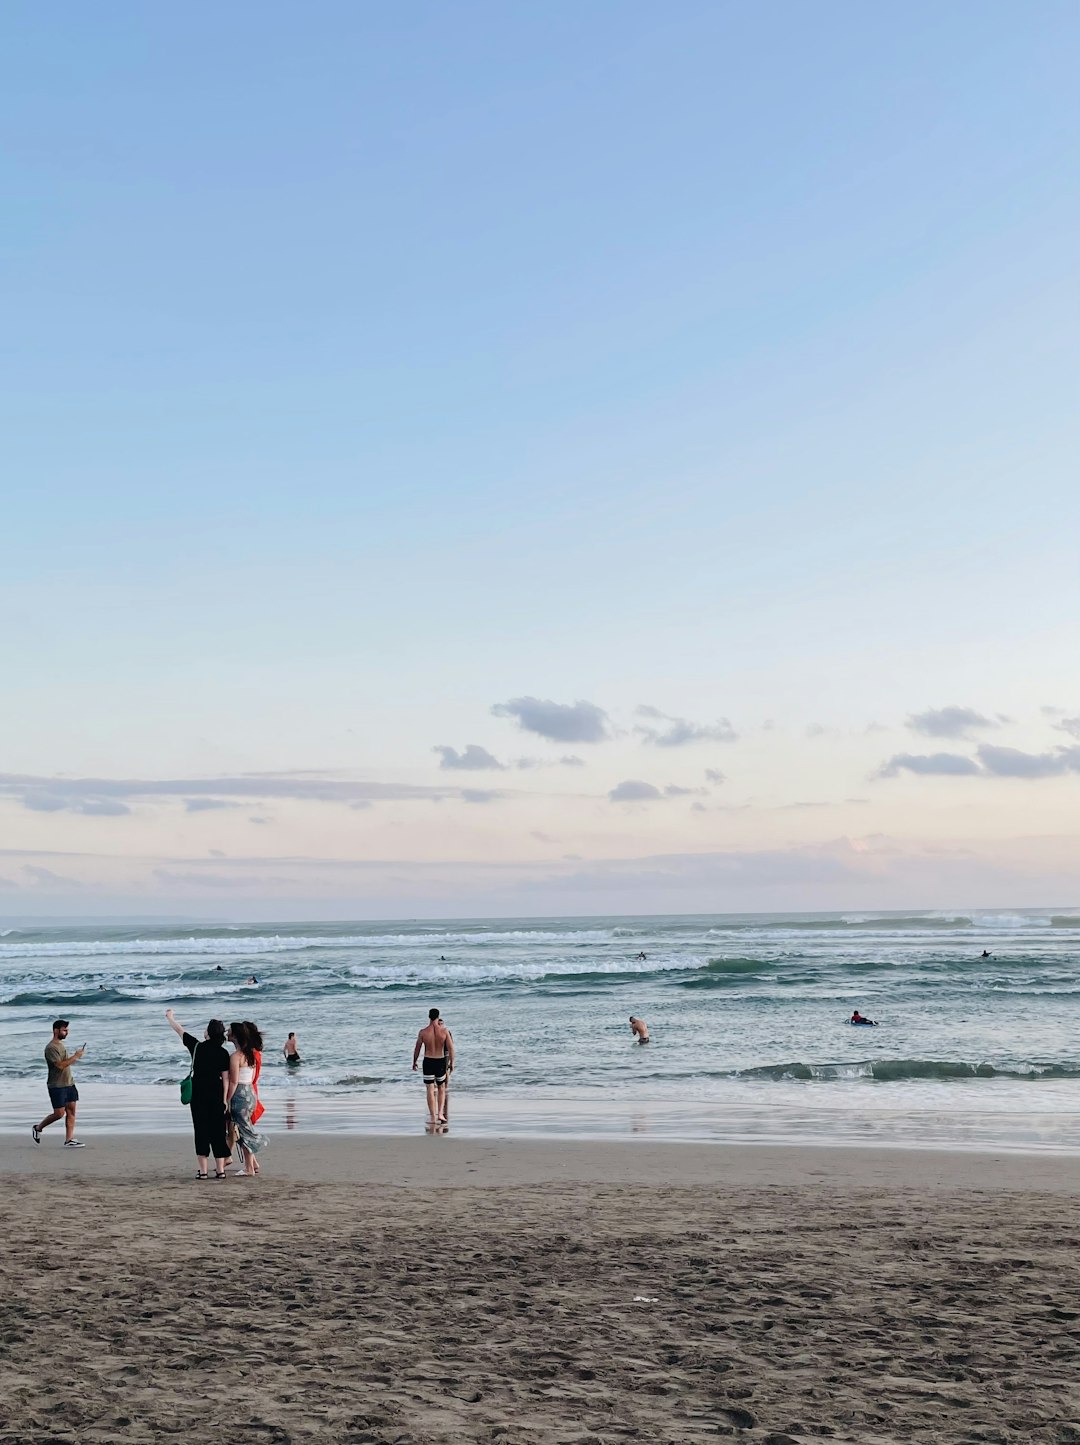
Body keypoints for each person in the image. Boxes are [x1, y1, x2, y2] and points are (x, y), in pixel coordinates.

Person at [165, 1008, 231, 1178]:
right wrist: (225, 1100)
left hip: (198, 1092)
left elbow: (180, 1030)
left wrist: (170, 1017)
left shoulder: (196, 1047)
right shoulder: (224, 1053)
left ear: (208, 1032)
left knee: (201, 1129)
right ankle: (221, 1171)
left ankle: (203, 1172)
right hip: (216, 1093)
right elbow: (225, 1079)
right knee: (218, 1130)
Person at [32, 1020, 86, 1147]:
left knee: (72, 1111)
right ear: (56, 1030)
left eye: (67, 1030)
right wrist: (76, 1056)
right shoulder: (51, 1048)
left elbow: (65, 1063)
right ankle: (38, 1128)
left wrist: (74, 1057)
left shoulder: (61, 1045)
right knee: (59, 1113)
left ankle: (69, 1140)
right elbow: (60, 1066)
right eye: (64, 1030)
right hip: (56, 1085)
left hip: (69, 1083)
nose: (66, 1032)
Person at [227, 1021, 269, 1176]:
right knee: (244, 1128)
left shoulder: (236, 1057)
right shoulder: (251, 1054)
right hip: (251, 1093)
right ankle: (252, 1164)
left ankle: (249, 1168)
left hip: (240, 1094)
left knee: (245, 1132)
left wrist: (227, 1100)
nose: (227, 1032)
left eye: (229, 1031)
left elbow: (233, 1082)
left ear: (235, 1036)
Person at [412, 1007, 455, 1125]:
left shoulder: (423, 1032)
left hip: (428, 1061)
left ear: (429, 1017)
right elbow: (451, 1048)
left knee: (430, 1089)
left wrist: (414, 1061)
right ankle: (440, 1113)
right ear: (438, 1016)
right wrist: (452, 1063)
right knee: (441, 1088)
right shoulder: (444, 1031)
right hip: (440, 1061)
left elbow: (417, 1048)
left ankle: (432, 1117)